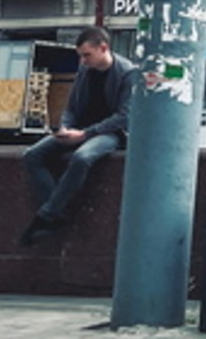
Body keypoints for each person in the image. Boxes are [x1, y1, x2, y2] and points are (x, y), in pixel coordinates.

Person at [19, 27, 135, 246]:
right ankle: (55, 214)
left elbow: (124, 116)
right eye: (81, 56)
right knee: (32, 155)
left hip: (109, 134)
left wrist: (85, 134)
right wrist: (65, 127)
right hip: (79, 129)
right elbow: (71, 106)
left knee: (81, 158)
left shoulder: (127, 73)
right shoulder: (85, 69)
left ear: (103, 48)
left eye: (87, 55)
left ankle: (46, 215)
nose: (83, 61)